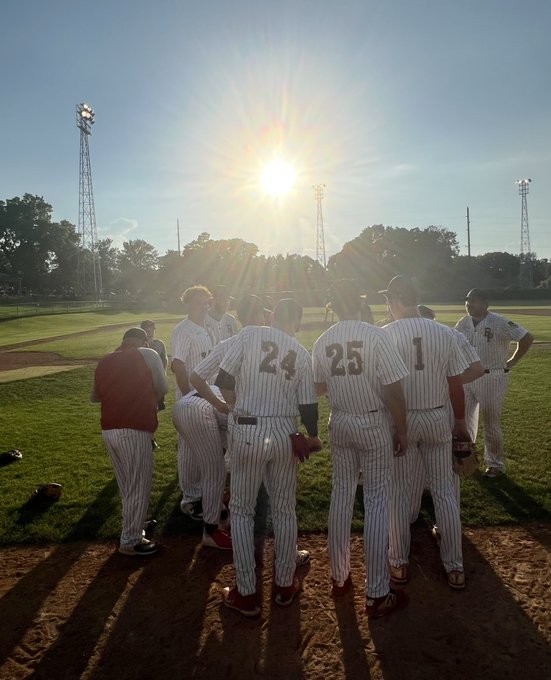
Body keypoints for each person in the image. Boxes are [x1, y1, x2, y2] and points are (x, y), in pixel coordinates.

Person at [215, 298, 321, 617]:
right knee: (285, 510)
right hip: (285, 432)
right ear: (298, 323)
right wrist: (313, 435)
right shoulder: (302, 352)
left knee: (243, 510)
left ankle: (247, 593)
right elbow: (308, 407)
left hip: (248, 429)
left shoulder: (250, 335)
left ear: (273, 317)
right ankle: (285, 584)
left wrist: (234, 405)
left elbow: (223, 379)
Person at [312, 279, 409, 619]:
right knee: (377, 500)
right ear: (359, 303)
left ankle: (339, 577)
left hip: (340, 422)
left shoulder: (323, 340)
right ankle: (377, 592)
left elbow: (320, 387)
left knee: (341, 495)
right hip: (372, 422)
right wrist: (403, 428)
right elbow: (394, 390)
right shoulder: (376, 335)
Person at [380, 276, 470, 590]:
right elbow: (456, 384)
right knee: (445, 492)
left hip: (403, 421)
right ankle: (455, 567)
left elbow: (382, 388)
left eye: (388, 300)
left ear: (395, 300)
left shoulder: (385, 335)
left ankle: (399, 563)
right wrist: (460, 422)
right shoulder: (446, 332)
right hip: (437, 417)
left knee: (400, 493)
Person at [91, 327, 168, 556]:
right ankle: (131, 540)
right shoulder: (148, 354)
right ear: (143, 341)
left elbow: (94, 397)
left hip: (109, 429)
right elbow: (163, 387)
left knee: (127, 485)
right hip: (135, 427)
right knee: (139, 485)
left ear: (123, 341)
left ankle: (134, 527)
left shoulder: (105, 360)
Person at [409, 304, 485, 527]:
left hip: (413, 406)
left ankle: (409, 516)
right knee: (448, 469)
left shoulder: (395, 332)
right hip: (446, 406)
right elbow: (478, 369)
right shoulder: (451, 334)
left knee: (409, 467)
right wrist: (449, 383)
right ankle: (448, 523)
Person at [455, 289, 533, 478]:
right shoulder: (463, 323)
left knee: (490, 422)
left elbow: (526, 337)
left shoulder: (499, 321)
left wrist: (512, 361)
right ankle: (467, 460)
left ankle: (495, 464)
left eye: (473, 301)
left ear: (485, 303)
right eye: (467, 301)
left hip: (493, 376)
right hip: (467, 376)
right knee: (463, 421)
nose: (469, 304)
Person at [171, 285, 214, 520]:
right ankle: (190, 500)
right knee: (188, 448)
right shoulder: (183, 330)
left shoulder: (205, 328)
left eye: (206, 302)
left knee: (205, 446)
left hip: (207, 394)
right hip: (191, 397)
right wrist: (188, 396)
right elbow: (178, 364)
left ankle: (202, 492)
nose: (203, 306)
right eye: (198, 301)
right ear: (187, 303)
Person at [141, 319, 168, 414]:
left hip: (157, 380)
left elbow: (164, 359)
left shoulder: (159, 344)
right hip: (144, 381)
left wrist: (163, 375)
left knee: (159, 407)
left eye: (152, 330)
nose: (150, 333)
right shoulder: (140, 345)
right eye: (147, 330)